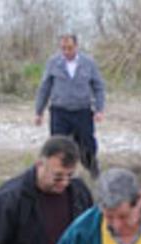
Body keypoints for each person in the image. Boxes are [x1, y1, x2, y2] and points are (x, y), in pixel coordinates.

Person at [34, 34, 105, 178]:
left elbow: (98, 86)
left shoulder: (88, 62)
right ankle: (58, 174)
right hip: (60, 111)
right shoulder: (53, 63)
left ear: (76, 47)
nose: (67, 52)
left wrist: (99, 109)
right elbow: (45, 87)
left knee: (87, 144)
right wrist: (38, 111)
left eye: (70, 48)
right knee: (58, 145)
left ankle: (93, 171)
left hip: (82, 111)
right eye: (63, 49)